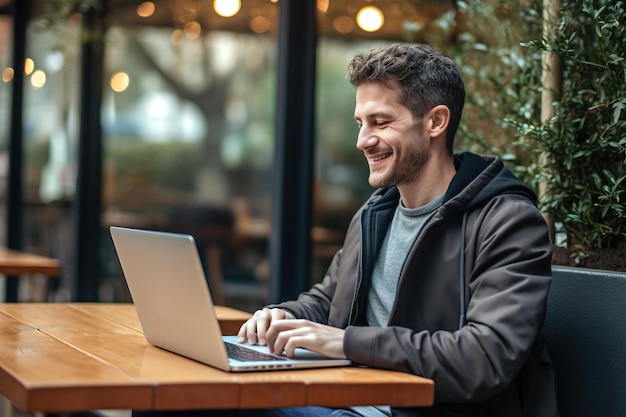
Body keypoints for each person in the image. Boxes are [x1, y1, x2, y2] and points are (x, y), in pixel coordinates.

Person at [134, 43, 556, 417]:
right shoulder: (376, 213)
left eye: (380, 122)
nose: (363, 140)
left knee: (178, 398)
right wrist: (284, 316)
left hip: (401, 410)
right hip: (335, 395)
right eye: (360, 122)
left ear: (436, 122)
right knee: (167, 390)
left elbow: (484, 360)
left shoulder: (507, 222)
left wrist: (345, 343)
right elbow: (327, 300)